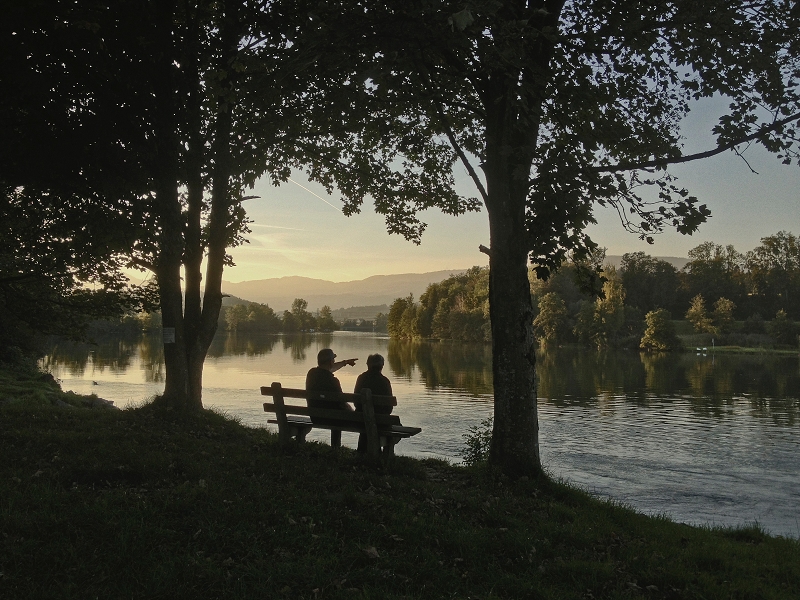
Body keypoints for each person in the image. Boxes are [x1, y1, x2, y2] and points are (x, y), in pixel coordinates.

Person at [305, 348, 358, 423]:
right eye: (333, 360)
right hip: (332, 419)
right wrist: (353, 414)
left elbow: (328, 369)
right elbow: (342, 403)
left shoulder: (311, 374)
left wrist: (345, 362)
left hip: (315, 417)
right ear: (331, 362)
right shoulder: (333, 381)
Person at [354, 353, 393, 453]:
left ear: (368, 365)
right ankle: (385, 454)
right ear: (382, 366)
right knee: (394, 425)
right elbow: (389, 408)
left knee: (367, 423)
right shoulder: (384, 381)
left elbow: (356, 402)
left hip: (360, 420)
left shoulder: (361, 378)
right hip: (380, 421)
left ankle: (362, 451)